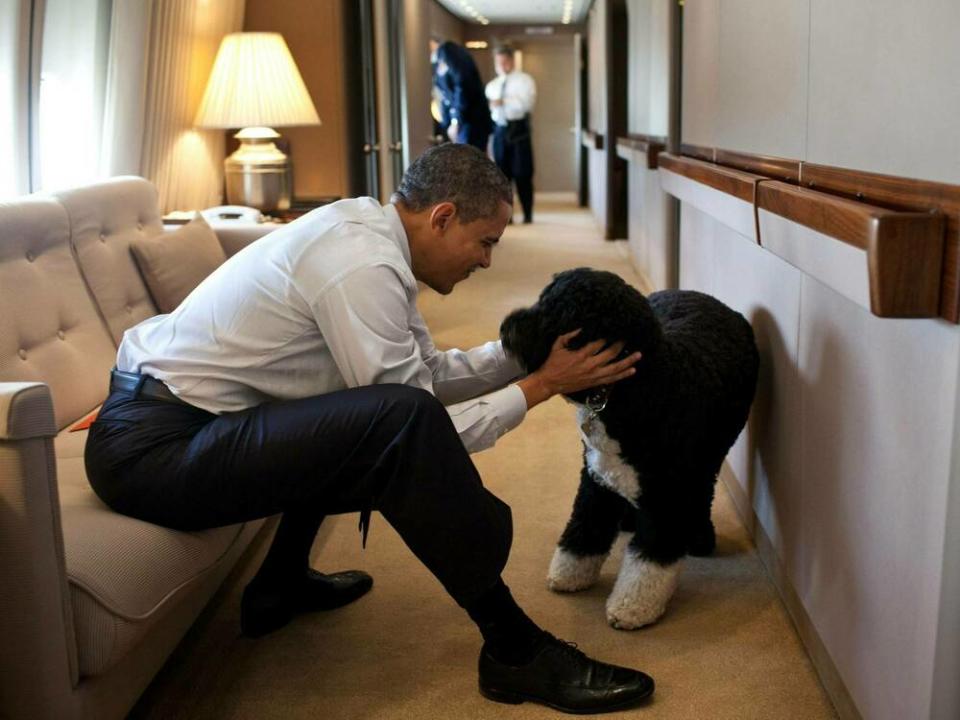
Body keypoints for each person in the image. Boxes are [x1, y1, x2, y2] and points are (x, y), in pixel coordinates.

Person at [84, 144, 653, 714]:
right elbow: (416, 426)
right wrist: (543, 385)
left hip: (178, 424)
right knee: (393, 423)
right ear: (442, 217)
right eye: (485, 242)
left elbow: (423, 376)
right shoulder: (362, 263)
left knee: (356, 403)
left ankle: (279, 583)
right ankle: (514, 650)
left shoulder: (373, 238)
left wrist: (524, 353)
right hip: (154, 452)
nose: (486, 262)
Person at [485, 44, 537, 224]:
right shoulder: (492, 86)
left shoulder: (525, 81)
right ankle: (507, 216)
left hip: (519, 130)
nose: (501, 66)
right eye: (498, 63)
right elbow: (491, 109)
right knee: (502, 177)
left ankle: (528, 214)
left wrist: (503, 101)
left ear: (511, 61)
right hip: (500, 129)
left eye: (504, 62)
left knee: (523, 174)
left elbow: (525, 105)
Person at [430, 37, 493, 150]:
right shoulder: (438, 59)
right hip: (464, 120)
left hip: (470, 121)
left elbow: (462, 85)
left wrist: (456, 121)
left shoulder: (447, 50)